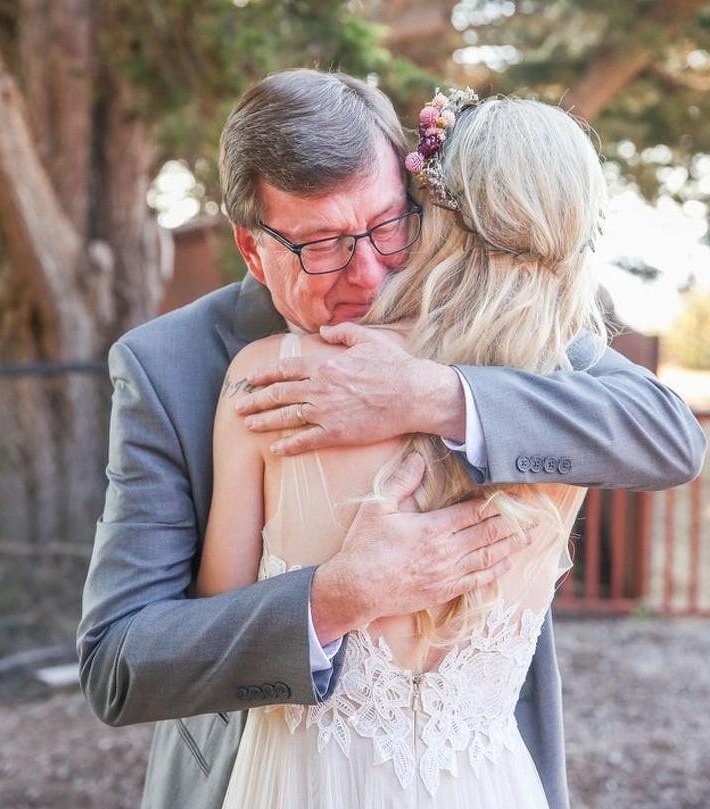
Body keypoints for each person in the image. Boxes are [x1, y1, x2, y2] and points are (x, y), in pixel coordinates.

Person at [76, 69, 706, 809]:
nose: (369, 272)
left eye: (384, 225)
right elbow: (119, 663)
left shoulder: (504, 334)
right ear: (252, 248)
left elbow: (668, 435)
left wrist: (434, 395)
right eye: (321, 245)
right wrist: (336, 596)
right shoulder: (170, 367)